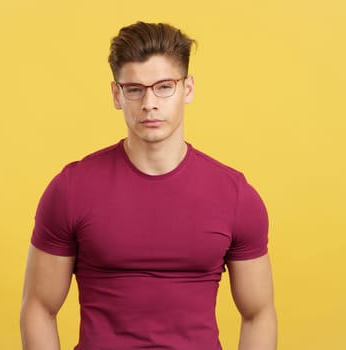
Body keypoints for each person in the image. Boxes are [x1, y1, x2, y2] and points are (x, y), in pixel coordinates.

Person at [20, 21, 277, 350]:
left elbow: (259, 313)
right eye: (135, 89)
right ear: (117, 94)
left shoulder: (235, 196)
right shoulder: (71, 190)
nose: (150, 103)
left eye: (164, 87)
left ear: (188, 89)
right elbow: (38, 307)